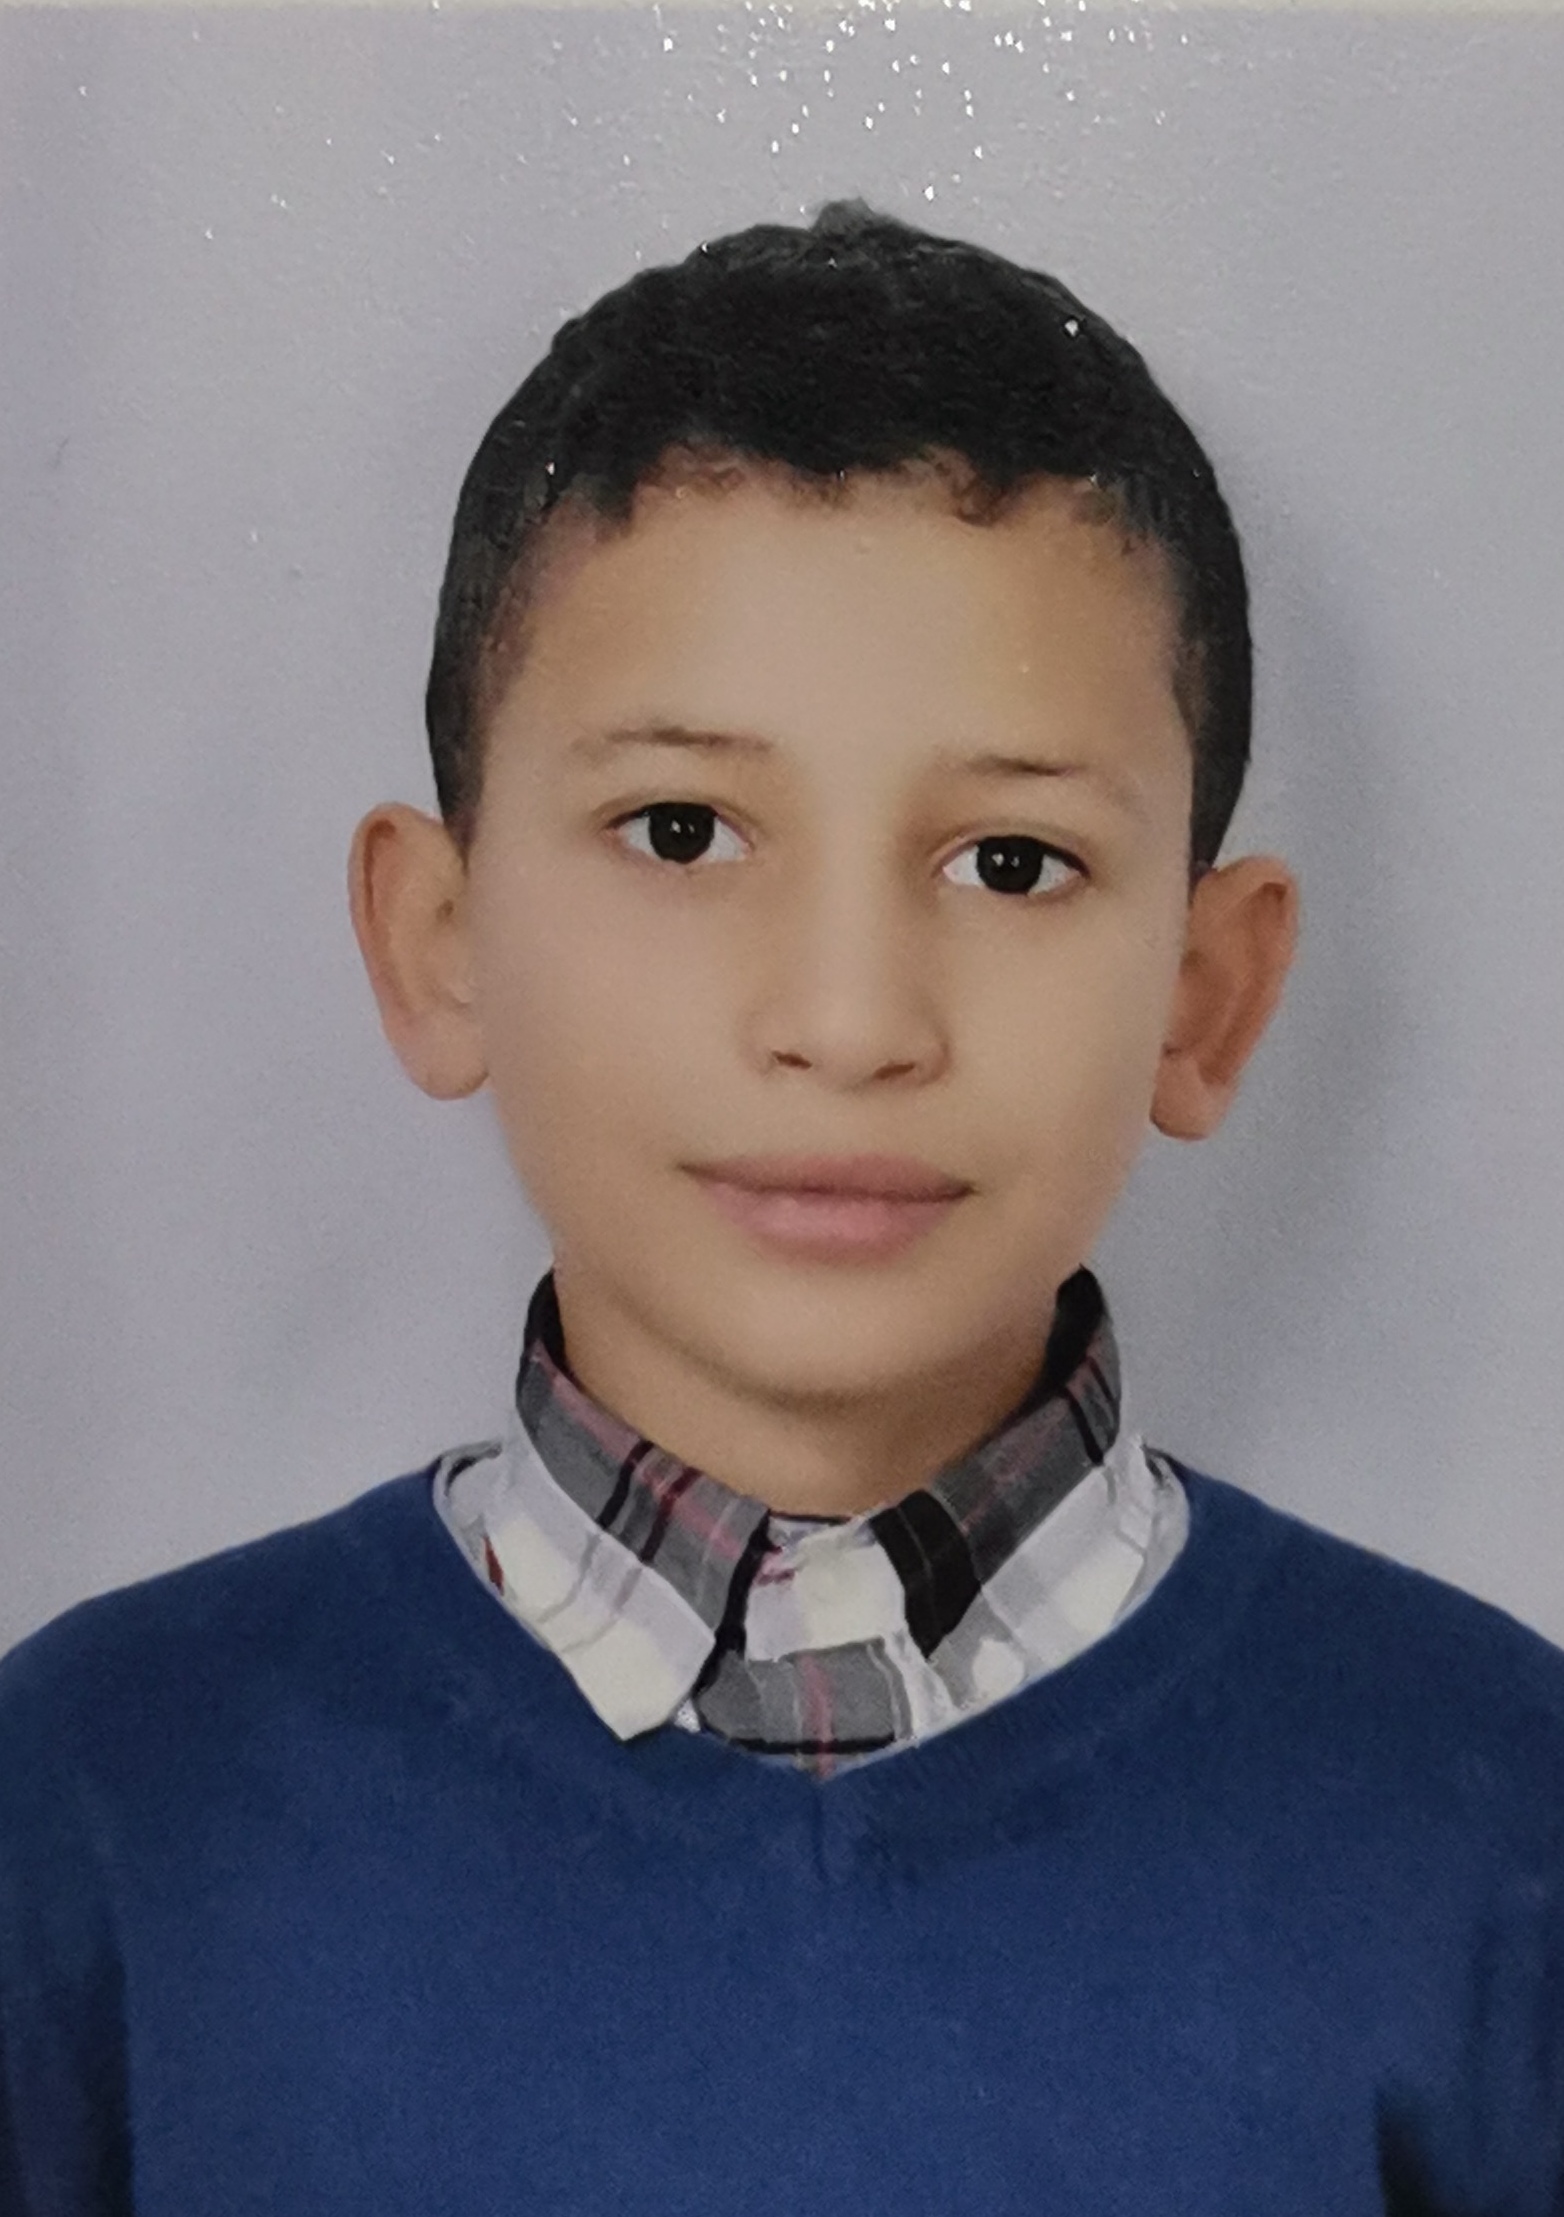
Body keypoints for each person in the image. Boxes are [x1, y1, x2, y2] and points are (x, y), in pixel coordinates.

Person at [2, 199, 1560, 2215]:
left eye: (1011, 861)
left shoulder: (1496, 1817)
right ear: (438, 939)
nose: (847, 1019)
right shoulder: (96, 1805)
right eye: (681, 829)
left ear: (1205, 993)